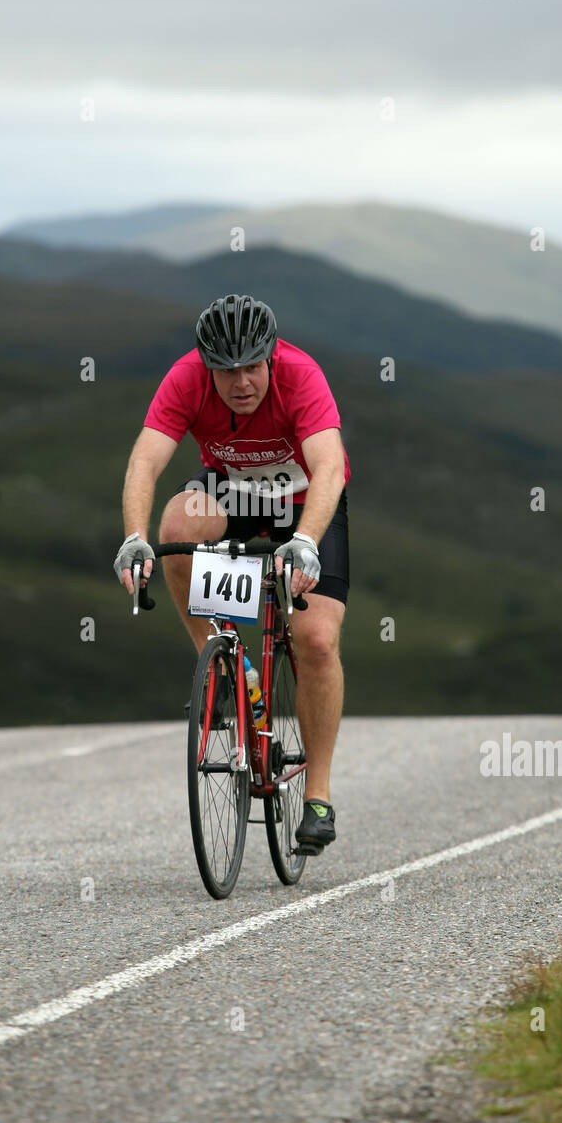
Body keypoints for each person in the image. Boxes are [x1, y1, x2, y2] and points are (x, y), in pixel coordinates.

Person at [114, 294, 350, 855]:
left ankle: (316, 795)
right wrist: (133, 537)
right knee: (176, 525)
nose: (241, 381)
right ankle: (220, 663)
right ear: (206, 366)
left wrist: (307, 542)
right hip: (233, 492)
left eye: (252, 366)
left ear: (270, 356)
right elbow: (145, 461)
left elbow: (330, 467)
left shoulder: (300, 374)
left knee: (316, 640)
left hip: (305, 501)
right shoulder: (184, 379)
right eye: (226, 370)